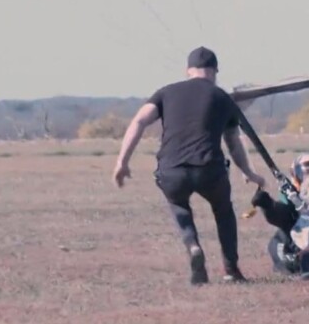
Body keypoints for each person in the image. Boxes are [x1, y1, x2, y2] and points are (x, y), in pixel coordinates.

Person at [112, 46, 267, 285]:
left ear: (188, 71)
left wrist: (122, 162)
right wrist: (248, 172)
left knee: (178, 205)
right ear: (215, 71)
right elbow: (234, 142)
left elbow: (139, 121)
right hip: (209, 168)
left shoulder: (166, 92)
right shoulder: (222, 97)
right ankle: (231, 270)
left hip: (172, 169)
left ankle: (193, 246)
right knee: (223, 211)